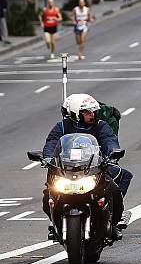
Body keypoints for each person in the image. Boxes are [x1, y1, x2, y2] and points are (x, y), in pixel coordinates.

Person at [43, 94, 133, 240]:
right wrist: (47, 158)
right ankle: (55, 222)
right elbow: (52, 143)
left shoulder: (100, 125)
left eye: (92, 111)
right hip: (66, 169)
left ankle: (114, 222)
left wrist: (112, 152)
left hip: (94, 168)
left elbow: (109, 140)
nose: (92, 115)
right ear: (75, 113)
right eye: (87, 112)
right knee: (48, 194)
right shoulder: (61, 127)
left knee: (117, 186)